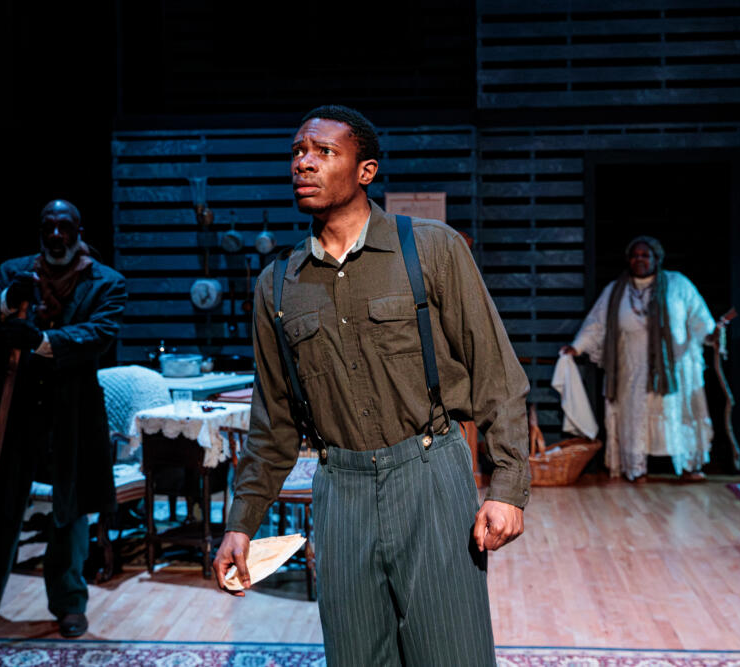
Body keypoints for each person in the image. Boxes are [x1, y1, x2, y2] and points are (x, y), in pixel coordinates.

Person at [214, 105, 530, 666]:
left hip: (430, 476)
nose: (303, 163)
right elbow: (273, 425)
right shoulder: (277, 285)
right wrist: (241, 524)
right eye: (297, 151)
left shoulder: (431, 248)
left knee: (453, 654)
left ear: (366, 171)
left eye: (323, 151)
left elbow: (495, 374)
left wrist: (507, 486)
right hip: (342, 490)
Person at [0, 199, 127, 639]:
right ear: (41, 231)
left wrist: (41, 340)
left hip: (73, 413)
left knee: (69, 512)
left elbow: (99, 336)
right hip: (17, 408)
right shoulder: (15, 272)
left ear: (78, 231)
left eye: (65, 227)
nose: (56, 235)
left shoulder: (106, 281)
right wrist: (8, 301)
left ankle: (69, 605)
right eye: (48, 227)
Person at [561, 236, 717, 482]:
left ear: (656, 258)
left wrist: (711, 335)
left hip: (672, 370)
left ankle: (688, 466)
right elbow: (596, 324)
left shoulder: (678, 285)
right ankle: (636, 468)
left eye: (645, 255)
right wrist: (577, 347)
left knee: (677, 414)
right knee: (635, 417)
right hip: (631, 367)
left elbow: (698, 318)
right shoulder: (616, 290)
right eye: (635, 255)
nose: (639, 260)